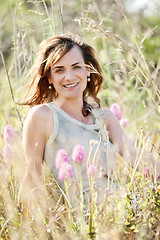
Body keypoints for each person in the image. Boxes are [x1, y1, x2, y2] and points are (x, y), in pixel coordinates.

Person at [21, 34, 137, 209]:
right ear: (49, 77)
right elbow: (32, 176)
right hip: (84, 222)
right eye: (59, 70)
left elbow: (136, 156)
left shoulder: (104, 117)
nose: (69, 76)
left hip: (125, 210)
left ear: (88, 70)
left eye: (76, 67)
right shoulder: (43, 116)